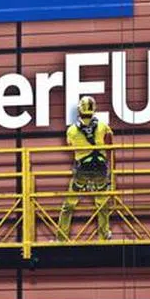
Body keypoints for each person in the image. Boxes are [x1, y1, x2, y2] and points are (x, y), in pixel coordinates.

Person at [58, 95, 113, 241]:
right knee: (102, 204)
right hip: (100, 169)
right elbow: (110, 145)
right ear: (94, 109)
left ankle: (62, 237)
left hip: (82, 170)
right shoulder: (103, 126)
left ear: (79, 110)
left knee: (69, 205)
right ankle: (103, 235)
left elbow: (70, 146)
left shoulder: (71, 130)